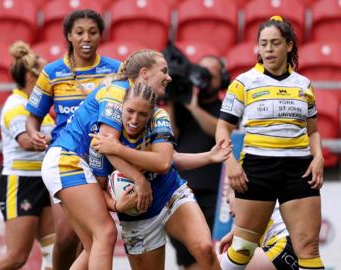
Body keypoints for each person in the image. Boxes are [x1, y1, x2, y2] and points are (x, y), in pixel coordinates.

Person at [40, 49, 170, 269]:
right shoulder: (119, 93)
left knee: (93, 244)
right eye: (164, 71)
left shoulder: (129, 96)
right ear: (145, 73)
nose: (169, 77)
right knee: (106, 232)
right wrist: (139, 179)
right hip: (68, 161)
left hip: (66, 162)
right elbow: (106, 145)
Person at [216, 16, 324, 270]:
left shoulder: (304, 85)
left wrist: (318, 157)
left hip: (299, 170)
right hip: (258, 167)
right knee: (243, 246)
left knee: (308, 248)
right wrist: (230, 162)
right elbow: (223, 127)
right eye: (263, 44)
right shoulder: (243, 82)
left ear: (288, 46)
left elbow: (314, 131)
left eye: (275, 43)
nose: (268, 49)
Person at [89, 83, 231, 270]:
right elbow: (95, 190)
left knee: (204, 248)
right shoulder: (101, 136)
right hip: (138, 216)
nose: (134, 119)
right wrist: (116, 206)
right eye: (130, 111)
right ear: (121, 106)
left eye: (143, 114)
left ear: (151, 113)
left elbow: (165, 162)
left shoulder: (159, 117)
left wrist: (118, 149)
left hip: (171, 195)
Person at [25, 9, 121, 269]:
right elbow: (33, 116)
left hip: (103, 160)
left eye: (92, 32)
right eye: (79, 32)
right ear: (69, 35)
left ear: (101, 35)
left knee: (92, 238)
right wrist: (33, 132)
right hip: (67, 158)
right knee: (67, 237)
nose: (86, 38)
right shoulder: (52, 72)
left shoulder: (116, 70)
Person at [0, 41, 55, 270]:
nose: (51, 81)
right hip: (20, 181)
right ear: (32, 78)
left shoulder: (38, 107)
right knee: (16, 257)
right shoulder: (16, 105)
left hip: (43, 181)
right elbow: (26, 141)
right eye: (46, 76)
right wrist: (63, 140)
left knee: (53, 253)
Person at [167, 55, 229, 270]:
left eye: (210, 74)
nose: (204, 79)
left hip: (215, 196)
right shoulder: (180, 105)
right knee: (190, 258)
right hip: (182, 190)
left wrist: (194, 108)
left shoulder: (227, 108)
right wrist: (173, 101)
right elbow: (169, 135)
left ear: (221, 78)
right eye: (200, 73)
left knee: (210, 254)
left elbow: (220, 132)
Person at [218, 189, 299, 270]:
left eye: (228, 201)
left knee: (214, 264)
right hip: (292, 246)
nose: (229, 211)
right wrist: (234, 233)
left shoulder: (254, 193)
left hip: (286, 247)